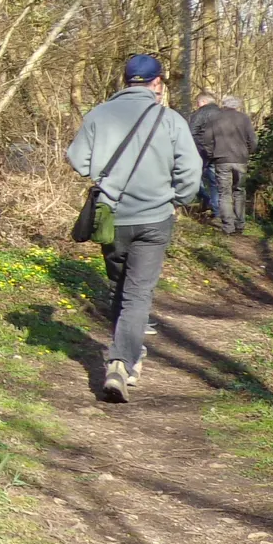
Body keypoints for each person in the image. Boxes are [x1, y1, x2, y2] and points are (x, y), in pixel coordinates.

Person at [66, 55, 203, 402]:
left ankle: (124, 354)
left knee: (118, 286)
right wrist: (177, 200)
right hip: (155, 219)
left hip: (110, 219)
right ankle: (122, 363)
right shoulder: (170, 120)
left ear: (125, 81)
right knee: (138, 294)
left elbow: (77, 158)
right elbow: (190, 172)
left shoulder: (98, 115)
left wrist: (103, 176)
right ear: (157, 83)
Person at [202, 95, 257, 234]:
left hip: (221, 159)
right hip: (240, 159)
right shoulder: (244, 118)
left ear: (223, 105)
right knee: (239, 191)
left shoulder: (214, 119)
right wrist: (248, 152)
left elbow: (206, 140)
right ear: (237, 106)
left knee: (224, 193)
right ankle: (240, 224)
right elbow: (253, 140)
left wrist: (211, 154)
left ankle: (228, 226)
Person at [189, 93, 221, 215]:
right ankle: (216, 210)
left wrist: (199, 148)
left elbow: (192, 133)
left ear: (202, 102)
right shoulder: (223, 113)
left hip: (201, 151)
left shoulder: (198, 114)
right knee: (215, 182)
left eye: (198, 103)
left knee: (194, 177)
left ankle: (205, 198)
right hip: (218, 151)